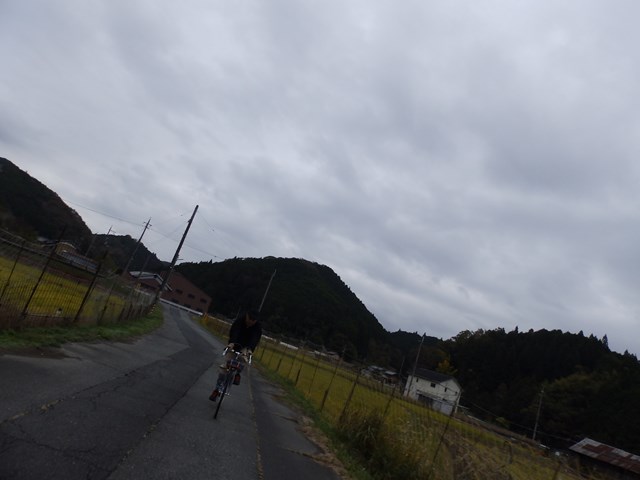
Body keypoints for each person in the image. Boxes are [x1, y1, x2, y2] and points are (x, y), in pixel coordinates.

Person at [209, 308, 262, 401]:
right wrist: (232, 343)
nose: (250, 322)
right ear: (246, 316)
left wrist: (250, 349)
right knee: (224, 369)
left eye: (253, 320)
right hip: (234, 344)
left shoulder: (258, 327)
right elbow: (234, 331)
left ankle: (238, 373)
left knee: (243, 358)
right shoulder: (239, 321)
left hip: (246, 347)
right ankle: (217, 390)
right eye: (249, 319)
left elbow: (255, 339)